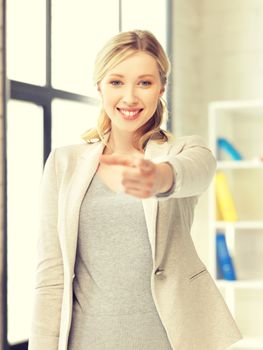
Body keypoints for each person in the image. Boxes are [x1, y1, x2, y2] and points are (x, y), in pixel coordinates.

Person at [28, 30, 242, 350]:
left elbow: (199, 170)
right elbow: (51, 274)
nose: (129, 97)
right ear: (99, 86)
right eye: (116, 82)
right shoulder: (64, 162)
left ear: (161, 88)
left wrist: (159, 178)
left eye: (144, 83)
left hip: (168, 341)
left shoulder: (181, 151)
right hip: (87, 342)